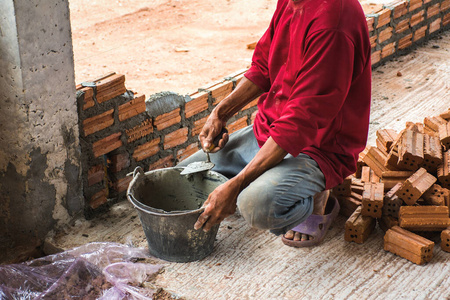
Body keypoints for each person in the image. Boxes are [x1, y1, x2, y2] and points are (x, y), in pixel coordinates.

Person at [177, 0, 371, 247]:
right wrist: (220, 112)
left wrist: (237, 185)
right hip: (272, 131)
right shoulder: (291, 2)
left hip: (320, 146)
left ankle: (318, 196)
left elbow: (300, 122)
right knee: (183, 177)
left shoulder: (333, 24)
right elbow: (263, 66)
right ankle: (265, 176)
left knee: (256, 206)